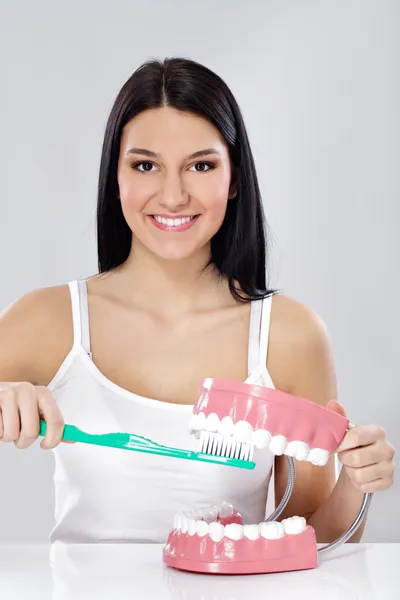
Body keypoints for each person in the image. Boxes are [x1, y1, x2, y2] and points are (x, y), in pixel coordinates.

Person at [0, 58, 394, 544]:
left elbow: (309, 540)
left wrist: (357, 482)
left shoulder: (290, 337)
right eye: (146, 165)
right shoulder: (49, 321)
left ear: (233, 179)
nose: (172, 195)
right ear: (115, 177)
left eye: (201, 165)